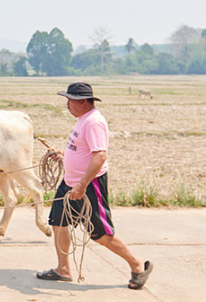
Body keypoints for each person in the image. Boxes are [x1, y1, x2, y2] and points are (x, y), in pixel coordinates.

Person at [37, 82, 153, 289]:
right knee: (58, 222)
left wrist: (82, 186)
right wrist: (64, 156)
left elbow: (100, 155)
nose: (67, 104)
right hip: (69, 183)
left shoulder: (93, 122)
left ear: (82, 102)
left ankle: (137, 267)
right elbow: (83, 150)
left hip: (88, 186)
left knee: (101, 235)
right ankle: (63, 269)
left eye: (70, 100)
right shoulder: (82, 119)